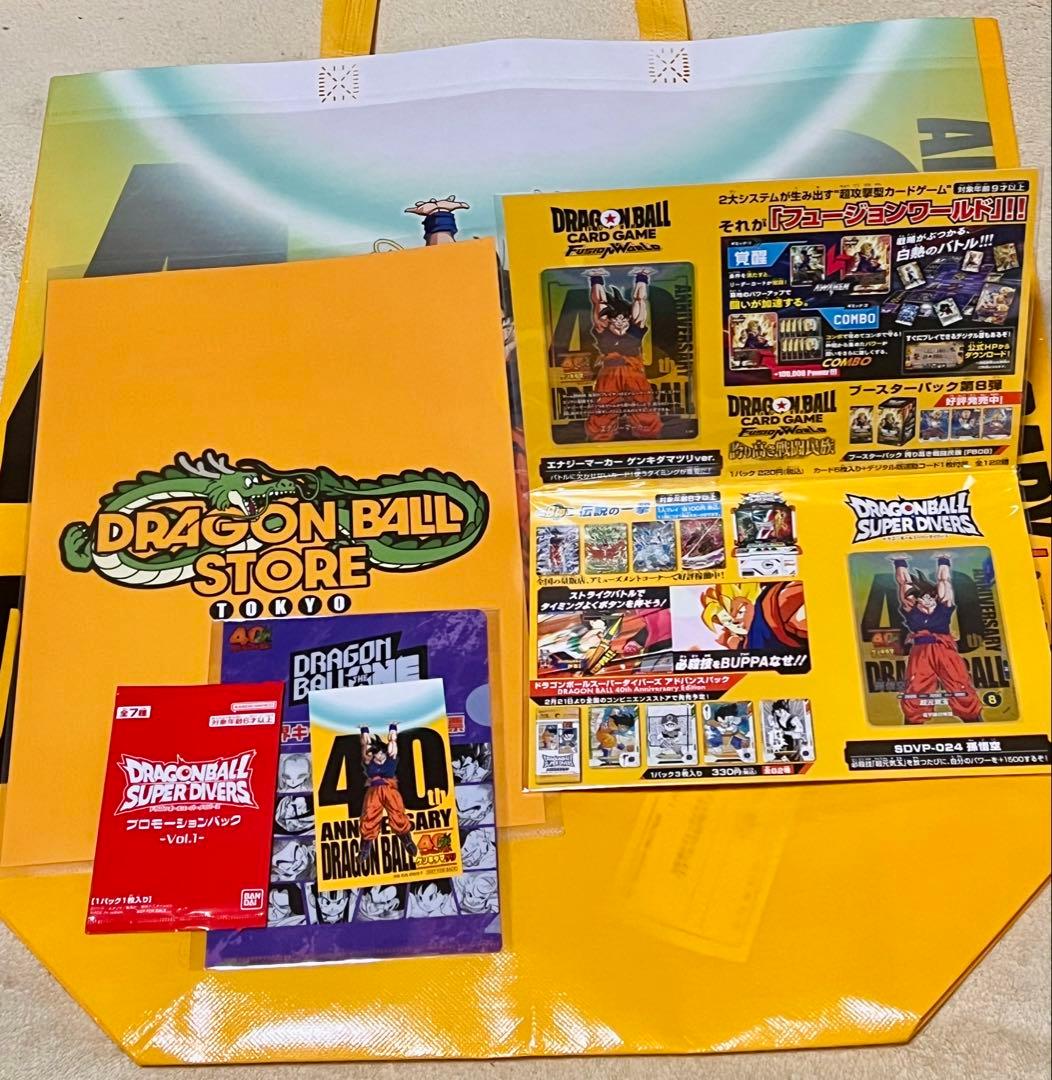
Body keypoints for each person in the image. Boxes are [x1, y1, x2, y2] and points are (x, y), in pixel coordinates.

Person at [894, 555, 983, 724]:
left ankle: (973, 719)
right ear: (918, 599)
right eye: (923, 597)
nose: (927, 600)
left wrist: (943, 561)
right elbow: (904, 583)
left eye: (930, 596)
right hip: (921, 652)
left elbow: (944, 581)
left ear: (934, 596)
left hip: (944, 649)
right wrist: (900, 563)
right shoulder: (912, 610)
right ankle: (913, 723)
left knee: (959, 682)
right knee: (917, 687)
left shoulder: (943, 606)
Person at [584, 267, 662, 440]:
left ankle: (647, 435)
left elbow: (640, 300)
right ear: (610, 320)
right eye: (616, 319)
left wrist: (642, 278)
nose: (620, 323)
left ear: (628, 319)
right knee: (604, 405)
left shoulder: (635, 328)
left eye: (624, 319)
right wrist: (596, 279)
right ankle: (600, 437)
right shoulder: (603, 329)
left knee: (642, 402)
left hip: (633, 370)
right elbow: (599, 304)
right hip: (610, 373)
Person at [358, 724, 417, 874]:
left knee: (397, 813)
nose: (378, 757)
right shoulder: (369, 760)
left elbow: (393, 742)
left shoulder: (391, 758)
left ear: (384, 752)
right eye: (375, 754)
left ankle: (406, 839)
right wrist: (364, 730)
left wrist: (393, 728)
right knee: (369, 815)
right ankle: (365, 846)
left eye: (380, 753)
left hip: (390, 789)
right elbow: (365, 744)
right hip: (374, 791)